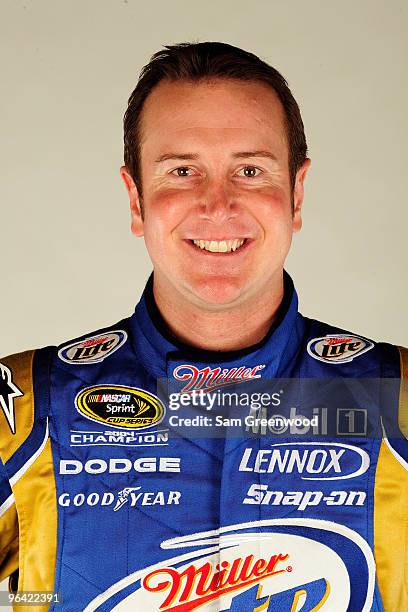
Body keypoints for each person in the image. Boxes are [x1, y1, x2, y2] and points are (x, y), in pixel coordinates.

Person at [0, 41, 406, 611]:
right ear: (136, 200)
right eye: (183, 171)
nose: (218, 205)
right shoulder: (20, 409)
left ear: (296, 193)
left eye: (250, 170)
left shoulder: (399, 400)